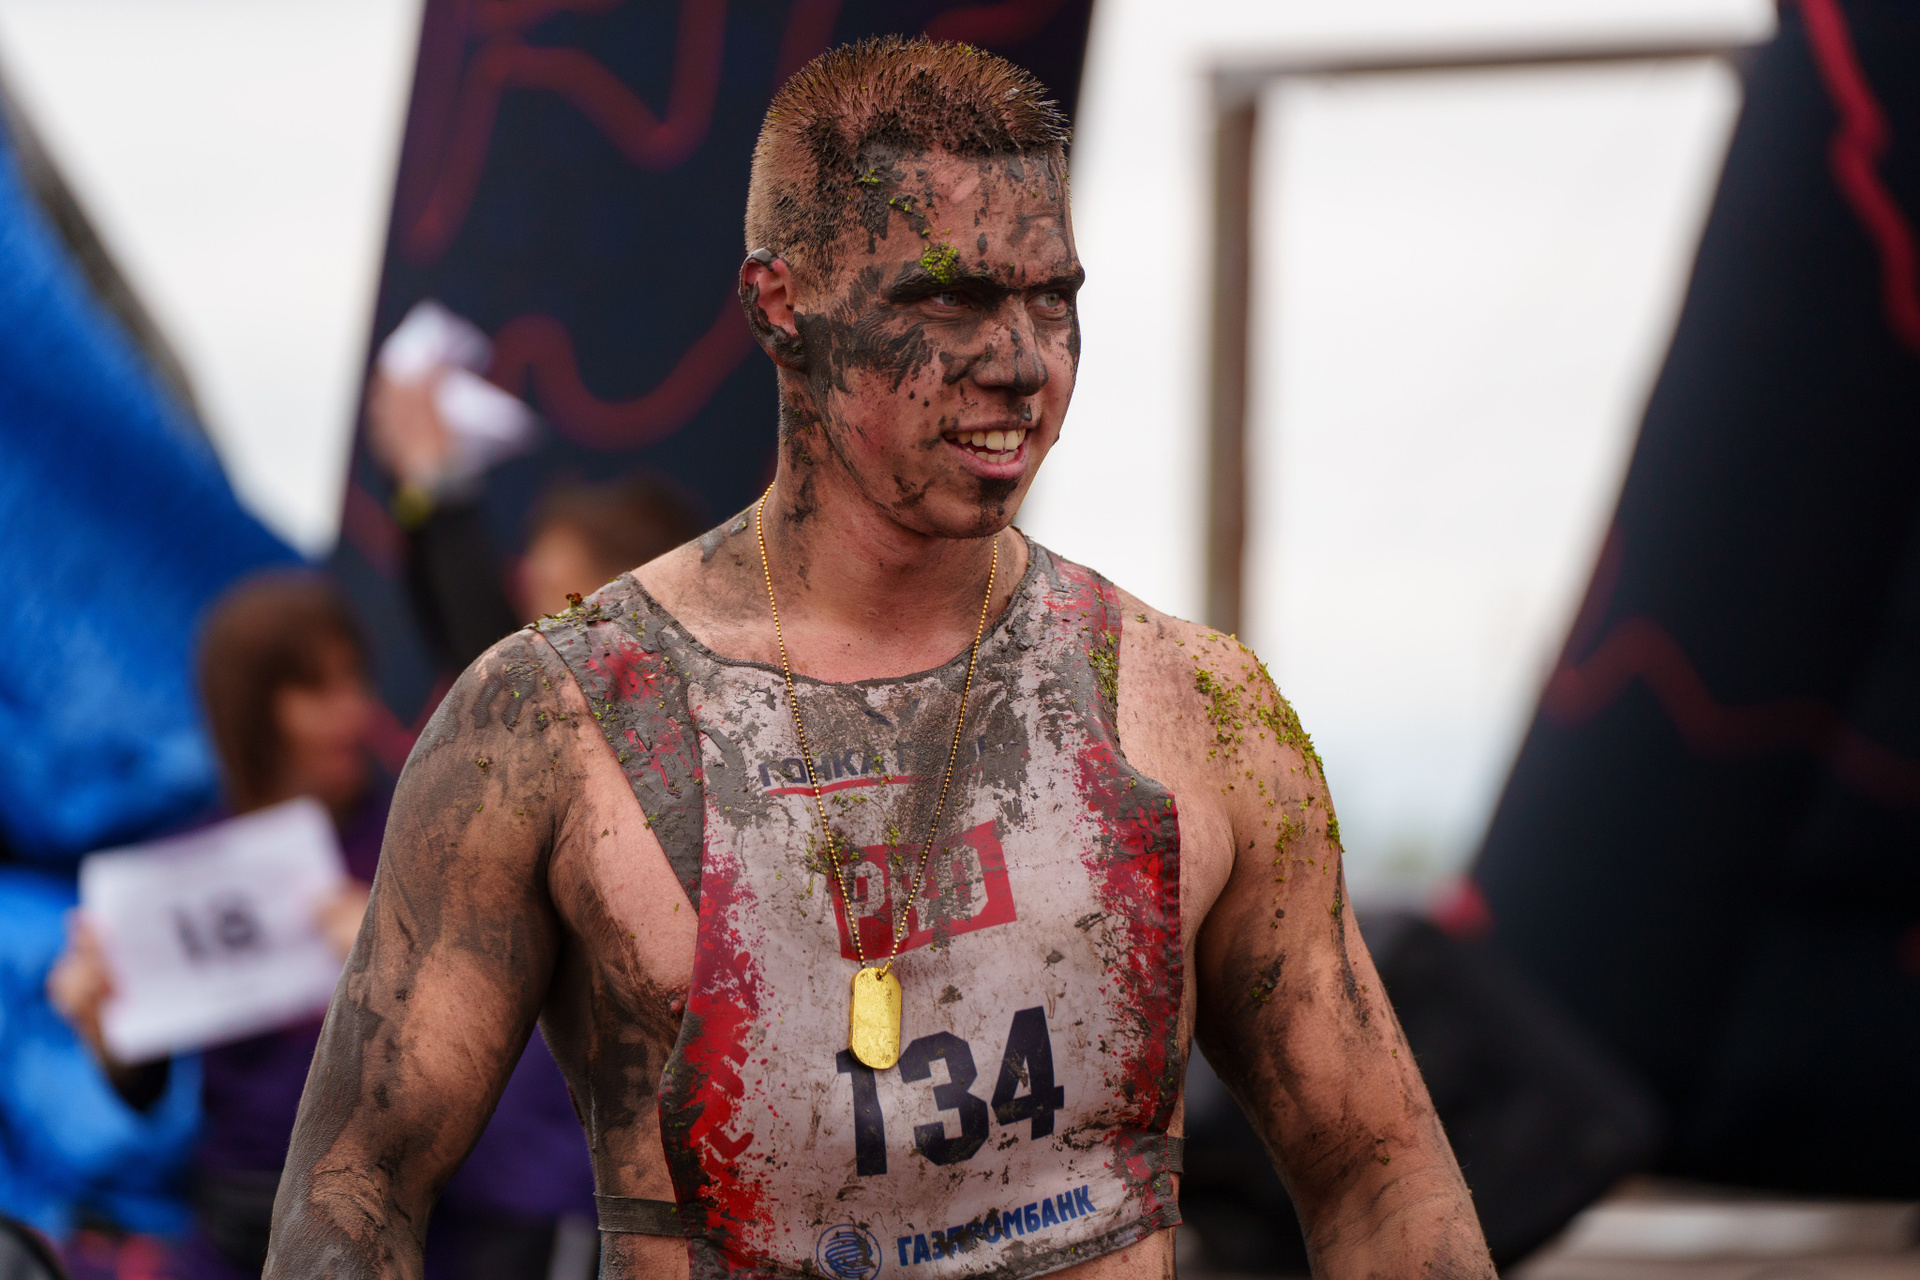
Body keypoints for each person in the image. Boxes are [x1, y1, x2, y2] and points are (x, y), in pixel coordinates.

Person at [267, 37, 1495, 1280]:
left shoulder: (1200, 709)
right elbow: (351, 1189)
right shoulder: (550, 723)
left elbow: (1382, 1178)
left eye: (1053, 299)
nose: (1021, 361)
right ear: (779, 303)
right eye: (950, 299)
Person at [48, 574, 595, 1280]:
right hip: (234, 1231)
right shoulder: (185, 873)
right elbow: (147, 1085)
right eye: (315, 689)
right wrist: (107, 1029)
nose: (353, 712)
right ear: (249, 710)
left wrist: (405, 965)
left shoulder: (433, 838)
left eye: (355, 679)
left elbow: (523, 1063)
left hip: (408, 1226)